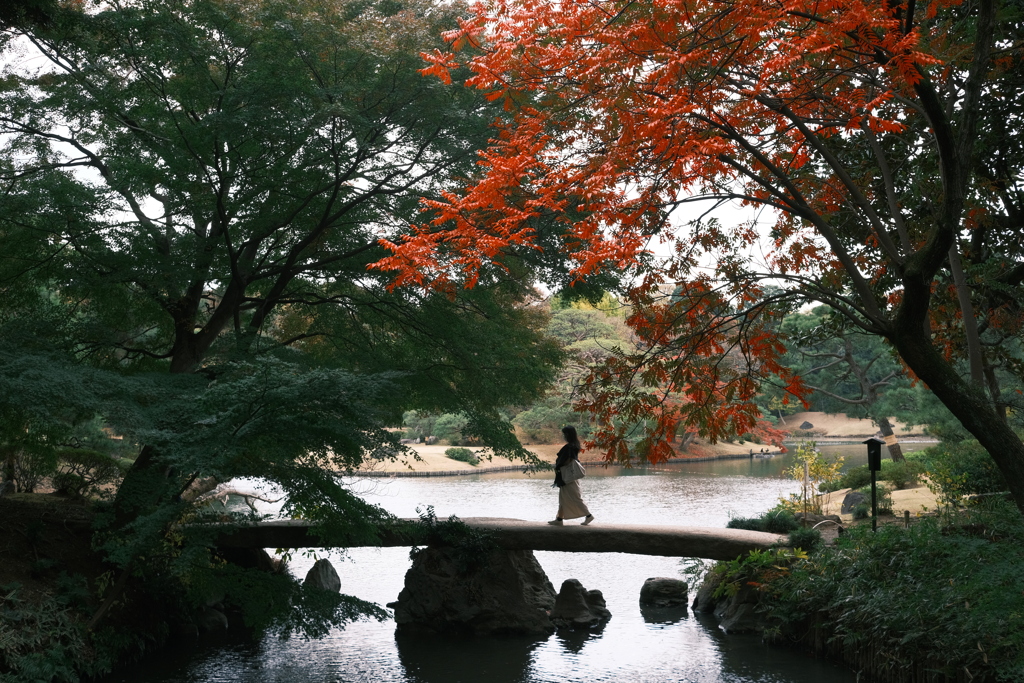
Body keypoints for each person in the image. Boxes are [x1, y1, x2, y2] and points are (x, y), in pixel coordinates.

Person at [548, 425, 594, 526]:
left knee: (575, 497)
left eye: (565, 434)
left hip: (567, 477)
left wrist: (560, 466)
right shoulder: (574, 445)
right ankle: (559, 519)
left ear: (569, 434)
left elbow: (567, 460)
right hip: (569, 476)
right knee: (563, 498)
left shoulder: (570, 447)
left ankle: (588, 515)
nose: (564, 436)